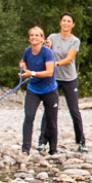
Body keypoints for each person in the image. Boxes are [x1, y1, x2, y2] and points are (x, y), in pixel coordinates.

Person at [18, 25, 59, 154]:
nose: (34, 37)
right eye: (31, 35)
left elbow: (49, 72)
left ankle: (53, 150)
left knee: (51, 120)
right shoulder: (27, 51)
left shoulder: (48, 52)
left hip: (49, 89)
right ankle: (25, 149)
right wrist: (22, 65)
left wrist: (32, 73)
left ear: (42, 38)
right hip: (33, 89)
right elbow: (23, 61)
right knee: (29, 117)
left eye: (37, 35)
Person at [48, 13, 86, 150]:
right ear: (60, 22)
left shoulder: (75, 41)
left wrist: (55, 64)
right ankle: (44, 141)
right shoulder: (52, 37)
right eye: (64, 20)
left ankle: (81, 141)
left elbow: (69, 58)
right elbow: (45, 50)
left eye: (68, 21)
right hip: (54, 79)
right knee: (50, 109)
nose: (65, 23)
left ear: (72, 24)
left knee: (74, 110)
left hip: (69, 79)